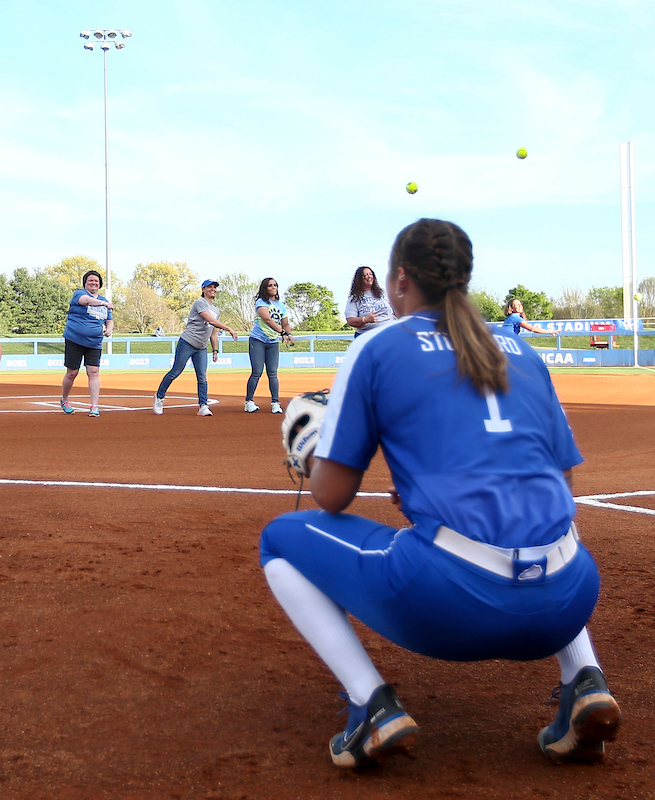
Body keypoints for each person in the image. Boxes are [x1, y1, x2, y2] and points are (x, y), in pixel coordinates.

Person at [260, 218, 619, 771]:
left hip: (454, 606)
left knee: (280, 540)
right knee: (537, 523)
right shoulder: (520, 350)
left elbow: (332, 497)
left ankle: (371, 706)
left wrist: (309, 447)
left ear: (400, 280)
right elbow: (561, 488)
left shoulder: (379, 346)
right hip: (569, 598)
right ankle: (585, 680)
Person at [153, 279, 237, 417]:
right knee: (176, 371)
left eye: (214, 287)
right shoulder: (200, 303)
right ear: (203, 289)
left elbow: (213, 330)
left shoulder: (216, 310)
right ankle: (159, 397)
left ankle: (203, 406)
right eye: (209, 287)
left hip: (201, 347)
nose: (213, 289)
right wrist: (229, 328)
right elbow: (210, 320)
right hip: (188, 342)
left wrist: (215, 350)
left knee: (202, 377)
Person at [60, 270, 114, 418]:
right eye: (90, 280)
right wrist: (104, 303)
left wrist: (109, 329)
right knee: (72, 372)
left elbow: (109, 319)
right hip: (74, 339)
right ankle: (64, 400)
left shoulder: (103, 301)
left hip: (94, 342)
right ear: (85, 283)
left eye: (96, 281)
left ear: (100, 284)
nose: (93, 283)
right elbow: (87, 301)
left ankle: (94, 405)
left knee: (94, 372)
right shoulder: (80, 294)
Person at [245, 277, 295, 414]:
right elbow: (267, 319)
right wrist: (283, 332)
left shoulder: (281, 305)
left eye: (275, 285)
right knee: (257, 371)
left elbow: (285, 323)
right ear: (265, 288)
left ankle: (275, 402)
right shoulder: (261, 303)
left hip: (272, 342)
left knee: (272, 373)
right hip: (258, 340)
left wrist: (289, 335)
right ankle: (249, 402)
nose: (273, 287)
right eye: (270, 285)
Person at [344, 265, 395, 336]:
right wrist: (365, 319)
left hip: (389, 330)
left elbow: (397, 311)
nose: (369, 276)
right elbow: (351, 320)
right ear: (360, 279)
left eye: (371, 274)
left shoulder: (384, 292)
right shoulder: (354, 298)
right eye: (366, 275)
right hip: (368, 334)